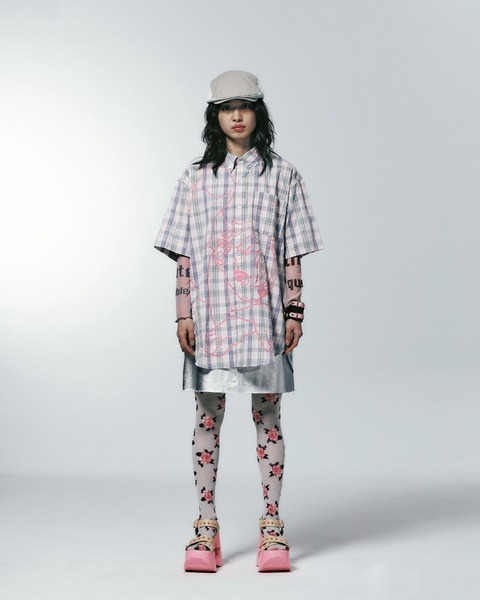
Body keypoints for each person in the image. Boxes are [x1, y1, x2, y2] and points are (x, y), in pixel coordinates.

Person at [154, 70, 324, 572]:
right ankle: (205, 526)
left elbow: (293, 251)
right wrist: (182, 314)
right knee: (207, 418)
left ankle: (272, 525)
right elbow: (184, 253)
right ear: (215, 116)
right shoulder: (193, 178)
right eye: (227, 108)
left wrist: (294, 311)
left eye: (245, 107)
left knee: (268, 418)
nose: (236, 116)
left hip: (262, 318)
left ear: (257, 113)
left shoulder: (284, 175)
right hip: (210, 317)